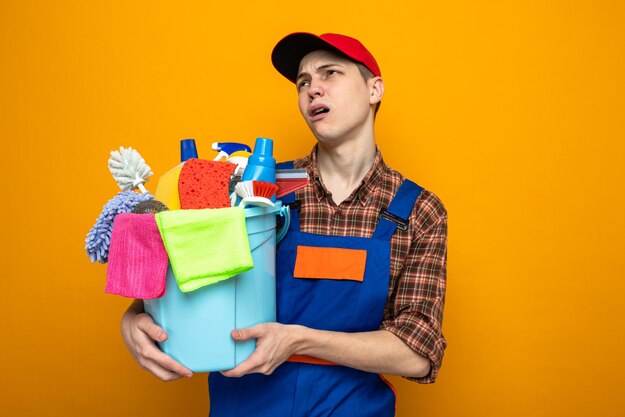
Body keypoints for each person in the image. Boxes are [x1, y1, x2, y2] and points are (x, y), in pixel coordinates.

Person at [121, 32, 447, 416]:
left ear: (374, 89)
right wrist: (132, 321)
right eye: (303, 82)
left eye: (330, 74)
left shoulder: (417, 211)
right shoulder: (253, 191)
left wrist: (297, 341)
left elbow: (417, 352)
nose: (312, 90)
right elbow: (185, 279)